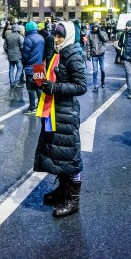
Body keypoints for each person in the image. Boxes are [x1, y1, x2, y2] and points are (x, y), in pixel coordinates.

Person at [34, 21, 87, 218]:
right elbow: (52, 78)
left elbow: (81, 87)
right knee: (58, 153)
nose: (56, 40)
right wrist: (39, 82)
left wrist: (55, 88)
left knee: (71, 156)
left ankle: (73, 201)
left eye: (60, 36)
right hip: (54, 110)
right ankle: (61, 191)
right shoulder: (58, 53)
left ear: (69, 37)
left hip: (66, 112)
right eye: (55, 35)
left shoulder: (73, 56)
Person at [22, 21, 45, 115]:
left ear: (28, 29)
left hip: (30, 67)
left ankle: (32, 108)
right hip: (39, 66)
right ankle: (41, 106)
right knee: (39, 87)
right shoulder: (41, 37)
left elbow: (25, 55)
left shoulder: (28, 39)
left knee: (31, 88)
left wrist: (23, 62)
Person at [3, 23, 24, 88]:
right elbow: (21, 47)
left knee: (11, 69)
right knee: (20, 68)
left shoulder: (8, 36)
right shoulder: (19, 36)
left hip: (10, 56)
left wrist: (8, 52)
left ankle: (12, 83)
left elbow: (5, 46)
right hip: (18, 56)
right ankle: (16, 82)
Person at [89, 23, 108, 92]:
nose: (95, 28)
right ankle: (95, 86)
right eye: (94, 27)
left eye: (96, 27)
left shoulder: (102, 33)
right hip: (94, 55)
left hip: (101, 54)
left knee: (103, 70)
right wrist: (88, 55)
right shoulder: (90, 34)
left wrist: (100, 32)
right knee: (95, 71)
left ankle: (103, 82)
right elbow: (88, 45)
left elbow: (105, 39)